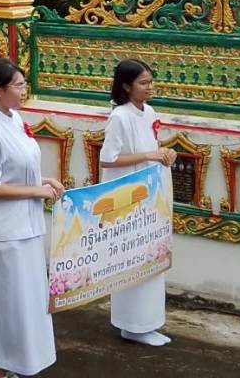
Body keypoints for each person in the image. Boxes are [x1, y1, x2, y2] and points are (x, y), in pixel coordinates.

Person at [0, 58, 62, 378]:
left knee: (27, 304)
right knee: (5, 306)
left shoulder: (14, 118)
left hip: (27, 227)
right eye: (19, 85)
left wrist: (44, 180)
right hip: (2, 232)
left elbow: (17, 169)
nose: (24, 90)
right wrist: (37, 191)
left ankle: (20, 365)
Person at [101, 59, 177, 347]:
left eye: (150, 81)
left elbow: (151, 148)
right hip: (128, 198)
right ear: (126, 86)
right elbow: (108, 159)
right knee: (131, 257)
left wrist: (164, 154)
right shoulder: (120, 117)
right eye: (143, 83)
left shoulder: (149, 112)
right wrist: (149, 155)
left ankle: (148, 322)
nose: (149, 87)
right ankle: (131, 324)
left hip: (150, 193)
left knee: (150, 256)